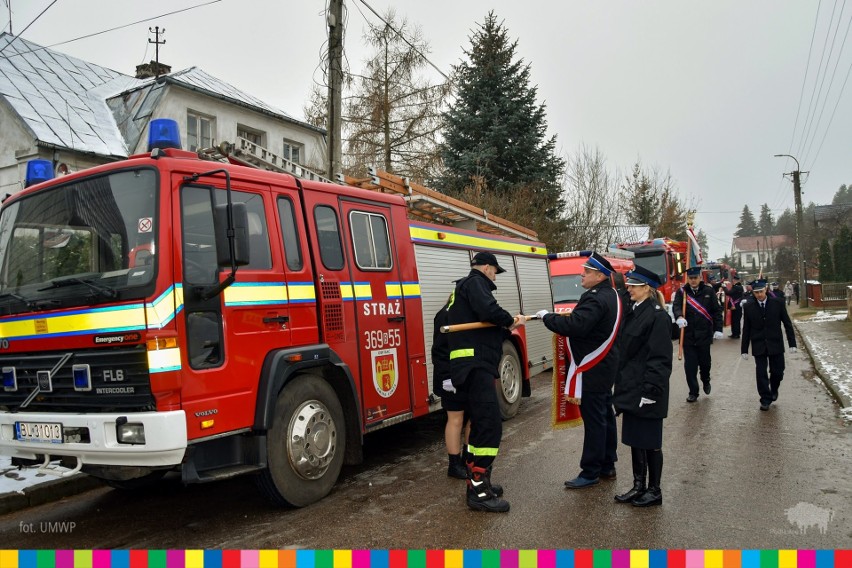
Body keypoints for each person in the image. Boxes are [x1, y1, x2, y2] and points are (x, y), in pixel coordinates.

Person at [536, 251, 623, 489]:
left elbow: (577, 325)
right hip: (605, 365)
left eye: (586, 271)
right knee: (605, 415)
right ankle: (607, 463)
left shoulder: (594, 298)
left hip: (593, 366)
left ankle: (590, 471)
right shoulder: (611, 294)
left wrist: (548, 318)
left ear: (598, 275)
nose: (581, 274)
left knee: (595, 419)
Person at [446, 251, 524, 512]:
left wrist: (503, 329)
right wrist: (510, 320)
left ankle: (480, 481)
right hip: (475, 365)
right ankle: (478, 491)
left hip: (470, 366)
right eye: (495, 271)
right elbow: (488, 310)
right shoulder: (475, 282)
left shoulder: (462, 288)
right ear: (488, 268)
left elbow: (479, 323)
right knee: (489, 426)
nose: (494, 276)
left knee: (481, 425)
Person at [612, 265, 672, 507]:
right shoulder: (634, 311)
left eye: (633, 286)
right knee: (636, 439)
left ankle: (654, 490)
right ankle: (639, 486)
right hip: (631, 388)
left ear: (646, 288)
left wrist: (651, 391)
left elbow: (660, 359)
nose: (629, 289)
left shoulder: (657, 316)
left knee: (651, 442)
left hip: (648, 390)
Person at [740, 279, 797, 411]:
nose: (759, 295)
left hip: (775, 343)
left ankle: (774, 388)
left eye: (761, 291)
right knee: (761, 372)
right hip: (758, 343)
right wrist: (744, 349)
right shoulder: (749, 307)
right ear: (753, 293)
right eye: (756, 292)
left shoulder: (778, 303)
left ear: (766, 289)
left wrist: (792, 343)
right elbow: (746, 329)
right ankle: (765, 399)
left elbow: (787, 324)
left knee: (778, 371)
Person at [431, 294, 469, 480]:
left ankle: (467, 460)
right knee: (456, 419)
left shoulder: (461, 314)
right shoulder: (446, 316)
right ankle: (454, 464)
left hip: (465, 376)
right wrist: (447, 377)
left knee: (471, 419)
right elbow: (439, 351)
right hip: (451, 378)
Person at [672, 266, 723, 403]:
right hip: (688, 335)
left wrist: (718, 329)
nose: (693, 281)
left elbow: (716, 311)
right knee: (690, 366)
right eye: (691, 278)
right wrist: (679, 317)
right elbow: (676, 306)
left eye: (695, 278)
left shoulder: (708, 291)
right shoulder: (682, 292)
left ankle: (705, 380)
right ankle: (693, 392)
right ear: (687, 279)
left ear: (700, 278)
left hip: (704, 335)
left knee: (705, 364)